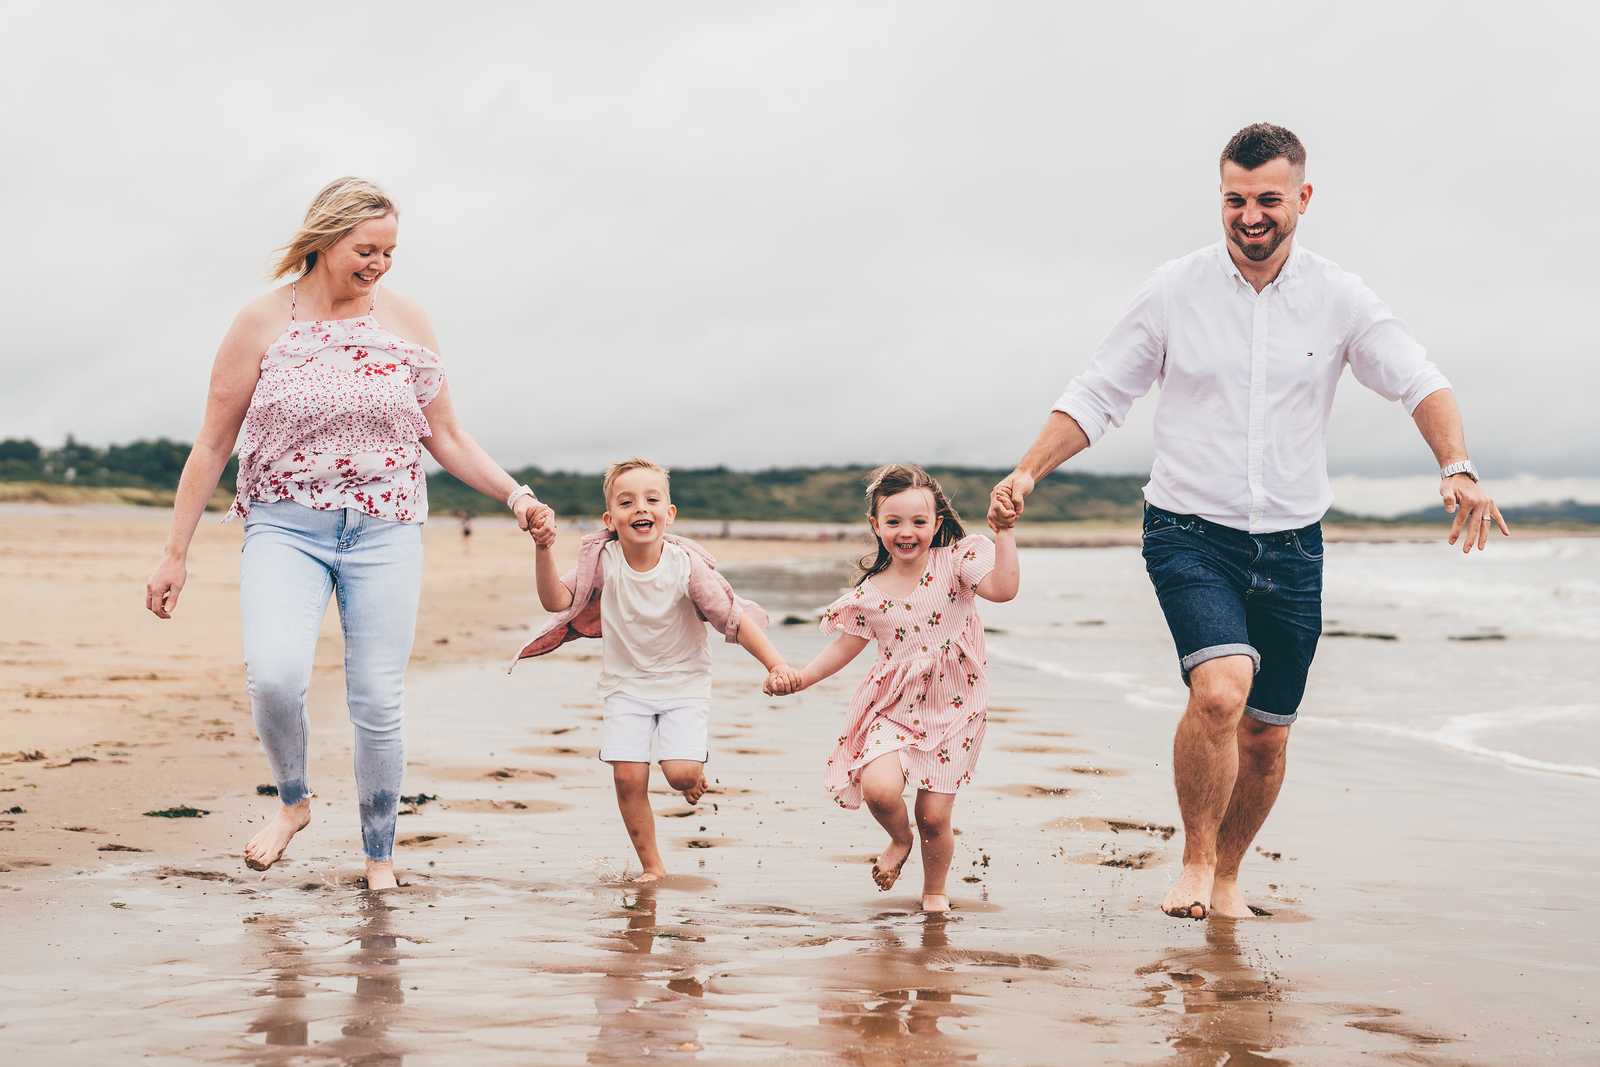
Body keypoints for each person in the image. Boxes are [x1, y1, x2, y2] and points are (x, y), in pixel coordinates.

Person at [989, 124, 1507, 920]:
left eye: (1268, 198)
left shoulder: (1341, 297)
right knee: (1222, 692)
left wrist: (1457, 466)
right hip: (1189, 530)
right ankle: (1194, 859)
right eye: (1235, 199)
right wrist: (1029, 468)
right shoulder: (1174, 289)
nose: (1250, 215)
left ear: (1302, 198)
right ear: (1220, 198)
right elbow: (1099, 392)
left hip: (1295, 545)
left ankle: (1229, 872)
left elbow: (1418, 380)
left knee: (1266, 735)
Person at [144, 177, 554, 890]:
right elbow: (213, 444)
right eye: (367, 249)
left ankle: (379, 856)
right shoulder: (261, 321)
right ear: (325, 240)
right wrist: (174, 553)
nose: (380, 264)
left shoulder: (406, 319)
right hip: (285, 526)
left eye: (390, 251)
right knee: (274, 677)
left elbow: (447, 434)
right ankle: (294, 802)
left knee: (375, 699)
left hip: (387, 528)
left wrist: (515, 494)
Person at [516, 458, 799, 882]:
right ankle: (653, 866)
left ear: (669, 514)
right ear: (611, 519)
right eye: (627, 502)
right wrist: (543, 549)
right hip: (625, 686)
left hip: (684, 682)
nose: (640, 508)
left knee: (680, 773)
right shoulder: (604, 561)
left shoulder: (685, 565)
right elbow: (556, 601)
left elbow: (732, 617)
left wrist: (775, 663)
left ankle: (691, 777)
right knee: (628, 779)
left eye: (651, 499)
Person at [766, 465, 1019, 912]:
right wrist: (799, 678)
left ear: (936, 524)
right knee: (879, 789)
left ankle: (934, 891)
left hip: (957, 705)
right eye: (894, 521)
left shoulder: (957, 564)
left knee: (934, 815)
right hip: (894, 706)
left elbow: (1004, 589)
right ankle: (899, 841)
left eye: (919, 522)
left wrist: (1005, 534)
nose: (907, 532)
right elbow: (845, 648)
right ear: (875, 525)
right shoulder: (869, 594)